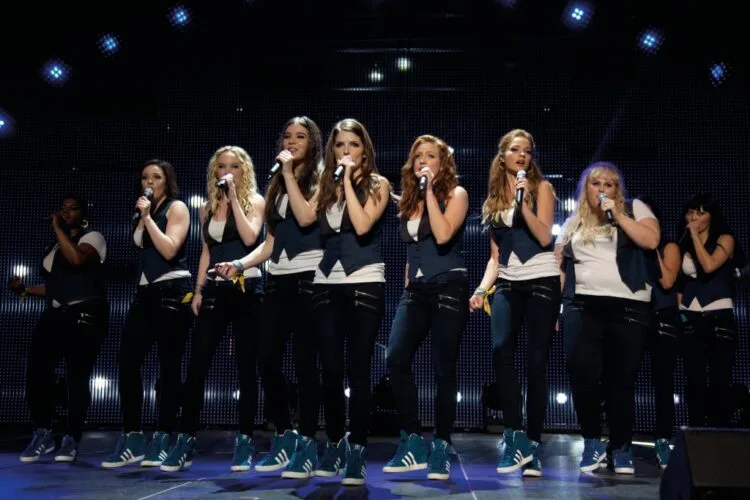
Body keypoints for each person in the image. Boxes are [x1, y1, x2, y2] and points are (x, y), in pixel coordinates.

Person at [215, 117, 324, 478]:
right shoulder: (277, 183)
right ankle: (286, 434)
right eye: (287, 136)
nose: (292, 142)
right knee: (265, 359)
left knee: (306, 364)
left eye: (300, 137)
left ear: (313, 143)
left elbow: (307, 219)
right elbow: (270, 243)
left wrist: (290, 174)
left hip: (310, 277)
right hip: (277, 279)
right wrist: (238, 263)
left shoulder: (322, 178)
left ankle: (307, 443)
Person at [160, 146, 265, 472]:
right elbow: (207, 250)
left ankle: (244, 440)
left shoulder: (255, 202)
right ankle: (186, 438)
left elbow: (250, 238)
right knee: (197, 366)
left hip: (247, 288)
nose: (227, 171)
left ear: (244, 171)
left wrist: (233, 198)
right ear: (214, 171)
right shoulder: (206, 207)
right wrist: (198, 290)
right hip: (215, 291)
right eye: (222, 166)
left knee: (246, 368)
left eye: (234, 166)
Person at [556, 161, 660, 475]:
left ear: (617, 190)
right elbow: (559, 268)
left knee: (621, 380)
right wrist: (558, 307)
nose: (602, 189)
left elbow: (651, 241)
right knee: (582, 374)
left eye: (609, 184)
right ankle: (592, 441)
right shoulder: (572, 222)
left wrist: (618, 215)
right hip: (582, 305)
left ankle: (621, 446)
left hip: (629, 306)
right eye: (596, 183)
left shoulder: (634, 209)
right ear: (585, 189)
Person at [469, 129, 559, 477]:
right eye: (516, 150)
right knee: (500, 350)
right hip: (507, 281)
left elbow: (544, 235)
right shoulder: (492, 201)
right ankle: (515, 435)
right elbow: (495, 257)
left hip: (541, 279)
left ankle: (533, 444)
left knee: (536, 362)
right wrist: (481, 290)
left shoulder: (542, 189)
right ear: (503, 155)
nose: (522, 155)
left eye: (528, 151)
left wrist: (522, 205)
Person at [381, 134, 469, 481]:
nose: (422, 161)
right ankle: (413, 438)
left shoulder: (455, 194)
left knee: (443, 367)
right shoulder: (410, 199)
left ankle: (441, 445)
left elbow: (444, 234)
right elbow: (413, 244)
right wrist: (408, 279)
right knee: (396, 357)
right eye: (418, 156)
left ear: (442, 163)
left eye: (430, 156)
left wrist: (430, 191)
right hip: (417, 289)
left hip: (448, 284)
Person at [310, 118, 390, 486]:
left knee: (358, 371)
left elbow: (361, 225)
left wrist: (345, 182)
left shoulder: (378, 184)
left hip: (364, 280)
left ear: (364, 150)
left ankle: (357, 449)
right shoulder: (324, 187)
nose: (346, 150)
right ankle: (334, 443)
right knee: (329, 368)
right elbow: (308, 221)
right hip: (327, 281)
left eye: (353, 144)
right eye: (340, 144)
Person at [102, 159, 193, 469]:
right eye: (145, 177)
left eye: (156, 176)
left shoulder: (177, 208)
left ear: (167, 181)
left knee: (168, 367)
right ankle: (132, 436)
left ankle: (164, 436)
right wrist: (143, 217)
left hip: (172, 291)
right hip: (145, 294)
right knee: (127, 362)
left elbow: (169, 249)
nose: (149, 181)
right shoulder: (142, 213)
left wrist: (147, 218)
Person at [9, 195, 108, 463]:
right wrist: (25, 290)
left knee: (76, 376)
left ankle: (71, 436)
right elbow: (56, 285)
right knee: (37, 372)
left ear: (83, 215)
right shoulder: (55, 246)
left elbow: (76, 260)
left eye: (72, 209)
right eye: (63, 209)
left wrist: (57, 228)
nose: (65, 213)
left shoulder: (93, 238)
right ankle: (43, 431)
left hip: (83, 315)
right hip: (54, 314)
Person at [677, 193, 738, 429]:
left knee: (720, 379)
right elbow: (679, 283)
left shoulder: (725, 239)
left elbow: (709, 265)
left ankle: (719, 431)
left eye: (701, 213)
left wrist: (694, 236)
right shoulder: (682, 245)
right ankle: (695, 432)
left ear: (711, 216)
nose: (694, 217)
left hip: (718, 314)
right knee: (695, 379)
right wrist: (681, 312)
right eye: (691, 212)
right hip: (690, 315)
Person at [638, 195, 681, 468]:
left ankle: (663, 439)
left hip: (663, 316)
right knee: (621, 377)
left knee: (663, 382)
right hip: (636, 314)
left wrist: (651, 247)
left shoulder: (669, 247)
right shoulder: (630, 249)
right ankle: (617, 441)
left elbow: (667, 281)